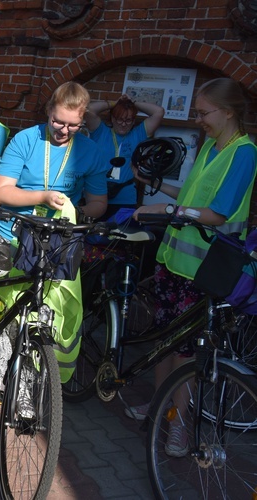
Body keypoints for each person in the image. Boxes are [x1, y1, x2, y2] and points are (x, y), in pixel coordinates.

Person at [128, 78, 257, 457]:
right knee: (165, 343)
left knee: (186, 353)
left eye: (203, 112)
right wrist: (158, 186)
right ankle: (159, 407)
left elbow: (217, 214)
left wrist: (164, 210)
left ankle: (179, 426)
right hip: (176, 263)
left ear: (229, 111)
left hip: (203, 270)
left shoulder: (244, 153)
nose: (198, 119)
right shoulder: (212, 147)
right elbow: (190, 198)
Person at [0, 81, 108, 388]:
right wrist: (42, 197)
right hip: (15, 234)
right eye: (57, 121)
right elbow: (0, 192)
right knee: (9, 307)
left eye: (73, 125)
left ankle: (27, 387)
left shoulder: (90, 151)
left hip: (58, 241)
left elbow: (98, 202)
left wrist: (79, 213)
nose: (63, 131)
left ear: (83, 122)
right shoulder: (26, 139)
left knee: (44, 316)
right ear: (47, 112)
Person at [84, 94, 165, 217]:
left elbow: (158, 112)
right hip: (96, 194)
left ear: (133, 121)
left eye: (128, 120)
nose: (123, 124)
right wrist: (114, 103)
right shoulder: (100, 131)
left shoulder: (139, 133)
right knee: (91, 234)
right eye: (119, 119)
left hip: (125, 196)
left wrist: (133, 102)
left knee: (121, 234)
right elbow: (88, 109)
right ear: (112, 118)